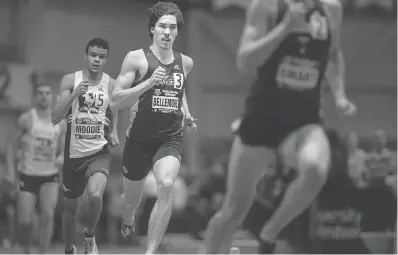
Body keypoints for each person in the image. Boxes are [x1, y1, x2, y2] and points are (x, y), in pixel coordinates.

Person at [203, 0, 357, 253]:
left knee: (316, 169)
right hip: (262, 119)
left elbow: (332, 54)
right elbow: (245, 61)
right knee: (234, 209)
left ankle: (269, 234)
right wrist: (285, 27)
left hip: (302, 120)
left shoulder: (332, 8)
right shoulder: (265, 6)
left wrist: (339, 94)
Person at [109, 2, 197, 254]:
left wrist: (187, 114)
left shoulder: (185, 63)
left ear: (177, 32)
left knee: (167, 184)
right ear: (152, 29)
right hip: (138, 140)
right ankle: (128, 218)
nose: (167, 32)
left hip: (169, 138)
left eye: (172, 27)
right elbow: (116, 100)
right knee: (131, 200)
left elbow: (179, 93)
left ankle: (149, 251)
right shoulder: (136, 59)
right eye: (162, 27)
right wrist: (148, 84)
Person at [52, 37, 119, 255]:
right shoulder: (70, 80)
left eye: (101, 57)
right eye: (93, 55)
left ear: (106, 59)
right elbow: (54, 117)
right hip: (74, 153)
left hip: (100, 151)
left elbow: (116, 108)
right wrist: (74, 94)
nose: (96, 60)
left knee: (96, 195)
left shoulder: (111, 84)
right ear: (86, 56)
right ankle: (68, 248)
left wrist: (115, 130)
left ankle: (90, 236)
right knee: (71, 207)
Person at [5, 84, 65, 254]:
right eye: (40, 93)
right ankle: (26, 249)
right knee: (25, 219)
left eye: (47, 93)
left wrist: (61, 157)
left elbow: (64, 148)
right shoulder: (26, 119)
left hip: (50, 174)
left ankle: (43, 252)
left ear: (51, 97)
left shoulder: (59, 121)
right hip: (27, 173)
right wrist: (10, 170)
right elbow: (10, 145)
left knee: (47, 215)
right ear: (35, 97)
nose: (44, 96)